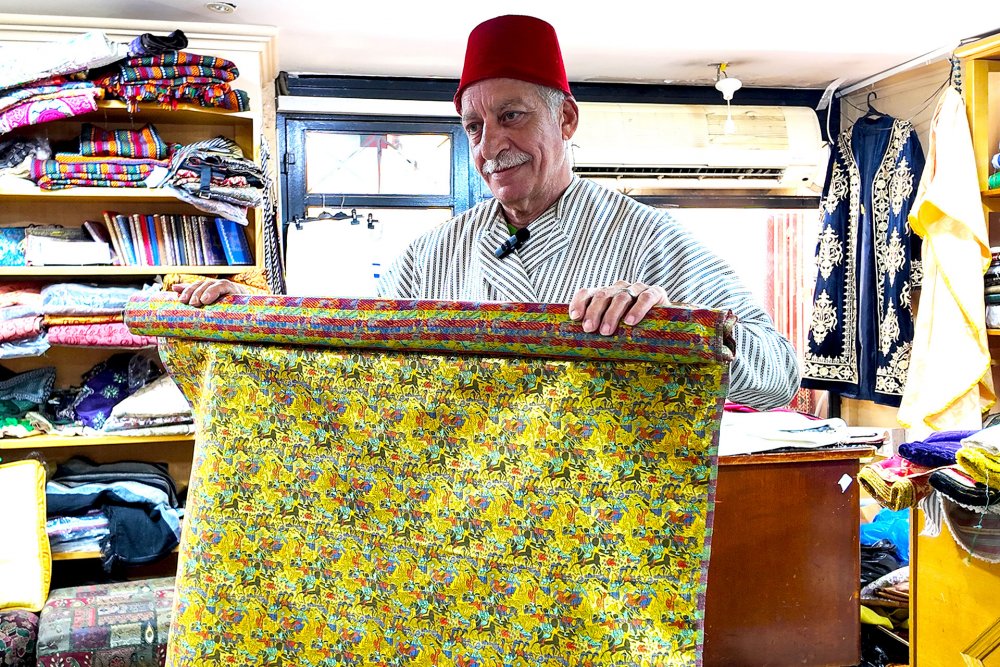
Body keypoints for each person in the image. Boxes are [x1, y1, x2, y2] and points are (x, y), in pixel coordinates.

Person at [176, 14, 800, 410]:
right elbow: (359, 382)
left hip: (606, 554)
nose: (489, 146)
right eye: (474, 126)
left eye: (512, 116)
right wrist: (251, 325)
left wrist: (682, 327)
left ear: (567, 119)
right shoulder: (425, 259)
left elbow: (780, 376)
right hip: (459, 545)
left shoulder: (653, 242)